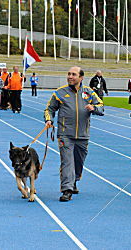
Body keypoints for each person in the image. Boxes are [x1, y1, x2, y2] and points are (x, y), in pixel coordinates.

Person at [44, 66, 104, 202]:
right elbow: (49, 109)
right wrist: (49, 119)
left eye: (74, 74)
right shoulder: (59, 93)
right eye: (69, 74)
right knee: (67, 162)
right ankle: (67, 189)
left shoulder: (89, 92)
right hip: (65, 134)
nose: (70, 76)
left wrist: (93, 108)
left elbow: (101, 107)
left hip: (83, 135)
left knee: (79, 161)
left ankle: (74, 180)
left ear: (81, 78)